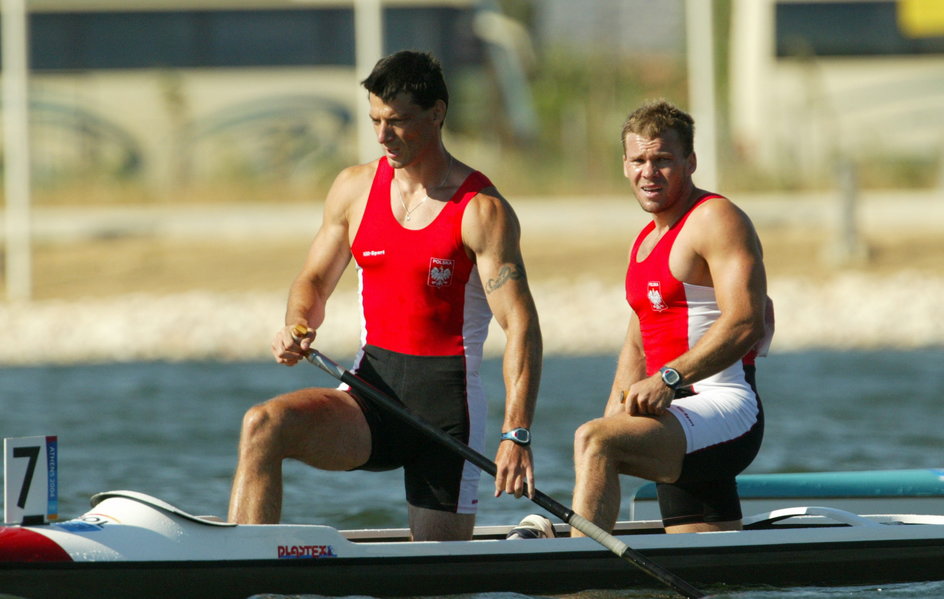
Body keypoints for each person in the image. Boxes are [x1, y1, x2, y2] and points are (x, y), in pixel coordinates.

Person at [227, 51, 543, 542]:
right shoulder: (353, 189)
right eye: (375, 119)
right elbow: (312, 279)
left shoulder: (481, 210)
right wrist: (298, 324)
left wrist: (515, 433)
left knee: (438, 587)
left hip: (447, 414)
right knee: (263, 425)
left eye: (396, 121)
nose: (382, 135)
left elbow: (521, 326)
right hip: (370, 397)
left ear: (436, 113)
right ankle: (244, 574)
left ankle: (528, 541)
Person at [571, 99, 772, 535]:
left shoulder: (716, 218)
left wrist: (667, 380)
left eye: (663, 160)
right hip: (674, 415)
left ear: (691, 161)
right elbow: (637, 343)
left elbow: (745, 321)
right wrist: (614, 415)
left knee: (594, 442)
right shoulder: (644, 239)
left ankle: (581, 576)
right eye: (639, 160)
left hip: (725, 409)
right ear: (625, 166)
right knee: (710, 568)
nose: (649, 171)